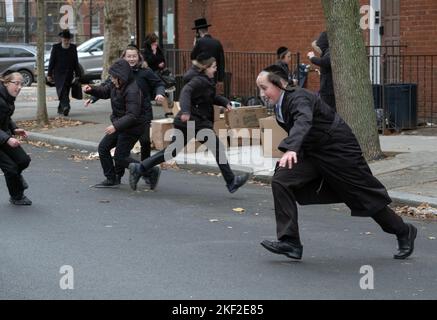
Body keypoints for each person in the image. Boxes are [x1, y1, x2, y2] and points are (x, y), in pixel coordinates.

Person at [256, 64, 417, 261]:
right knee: (282, 179)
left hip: (338, 149)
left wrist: (291, 148)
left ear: (280, 84)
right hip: (314, 152)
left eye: (264, 88)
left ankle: (403, 231)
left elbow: (303, 120)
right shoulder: (281, 103)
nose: (261, 93)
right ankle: (290, 242)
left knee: (363, 195)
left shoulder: (299, 97)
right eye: (260, 89)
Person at [128, 53, 249, 194]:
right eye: (214, 67)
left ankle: (139, 168)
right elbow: (186, 92)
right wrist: (185, 111)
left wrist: (224, 102)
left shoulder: (205, 80)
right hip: (194, 121)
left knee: (171, 151)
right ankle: (231, 181)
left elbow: (210, 96)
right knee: (217, 149)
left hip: (190, 122)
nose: (215, 70)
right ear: (205, 68)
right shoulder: (199, 81)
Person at [85, 45, 165, 189]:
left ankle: (148, 171)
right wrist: (92, 91)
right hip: (122, 122)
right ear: (124, 58)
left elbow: (133, 114)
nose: (132, 59)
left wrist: (160, 93)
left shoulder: (135, 85)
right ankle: (112, 178)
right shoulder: (116, 82)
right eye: (129, 56)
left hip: (135, 122)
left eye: (134, 56)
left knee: (136, 147)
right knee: (104, 148)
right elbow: (104, 90)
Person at [0, 71, 32, 205]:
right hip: (3, 138)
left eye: (22, 84)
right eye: (16, 83)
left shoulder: (7, 97)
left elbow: (6, 118)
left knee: (23, 160)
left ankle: (16, 178)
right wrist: (8, 139)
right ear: (6, 83)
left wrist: (14, 129)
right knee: (11, 168)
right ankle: (16, 196)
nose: (19, 87)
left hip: (3, 135)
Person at [47, 29, 81, 116]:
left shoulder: (73, 48)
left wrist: (77, 74)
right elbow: (52, 61)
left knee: (65, 90)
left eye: (67, 40)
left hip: (69, 73)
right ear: (61, 39)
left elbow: (75, 61)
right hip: (58, 73)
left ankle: (61, 109)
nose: (66, 41)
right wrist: (49, 74)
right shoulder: (56, 47)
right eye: (64, 39)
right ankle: (66, 106)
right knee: (61, 90)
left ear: (70, 39)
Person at [142, 33, 173, 118]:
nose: (156, 43)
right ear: (150, 43)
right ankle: (147, 114)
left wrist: (162, 63)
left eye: (156, 41)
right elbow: (148, 62)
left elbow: (163, 59)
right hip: (150, 76)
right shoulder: (146, 51)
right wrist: (153, 52)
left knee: (162, 92)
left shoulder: (158, 48)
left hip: (159, 74)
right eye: (154, 42)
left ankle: (167, 112)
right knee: (147, 95)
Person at [307, 31, 336, 111]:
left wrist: (312, 58)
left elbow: (324, 62)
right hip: (326, 88)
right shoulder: (327, 52)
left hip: (329, 90)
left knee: (328, 110)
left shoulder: (330, 52)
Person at [190, 18, 225, 83]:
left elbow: (192, 57)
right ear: (207, 29)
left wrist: (194, 45)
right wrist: (220, 78)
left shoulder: (199, 42)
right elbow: (221, 61)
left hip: (201, 76)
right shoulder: (217, 42)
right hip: (213, 76)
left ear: (199, 31)